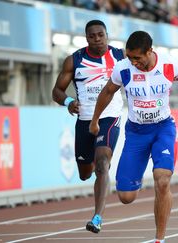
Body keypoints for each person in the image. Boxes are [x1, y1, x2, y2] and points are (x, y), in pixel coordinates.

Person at [89, 30, 178, 243]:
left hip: (163, 129)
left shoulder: (169, 65)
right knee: (126, 197)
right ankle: (142, 187)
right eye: (129, 57)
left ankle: (159, 239)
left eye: (137, 57)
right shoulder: (123, 69)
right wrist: (95, 119)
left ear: (149, 52)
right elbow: (107, 92)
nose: (133, 62)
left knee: (162, 180)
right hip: (136, 133)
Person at [51, 20, 124, 233]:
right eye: (92, 36)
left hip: (109, 118)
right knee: (85, 172)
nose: (97, 39)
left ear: (107, 35)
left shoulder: (120, 56)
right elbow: (57, 91)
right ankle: (95, 169)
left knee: (102, 163)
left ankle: (97, 217)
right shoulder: (74, 61)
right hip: (84, 120)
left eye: (101, 34)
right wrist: (68, 102)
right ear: (86, 38)